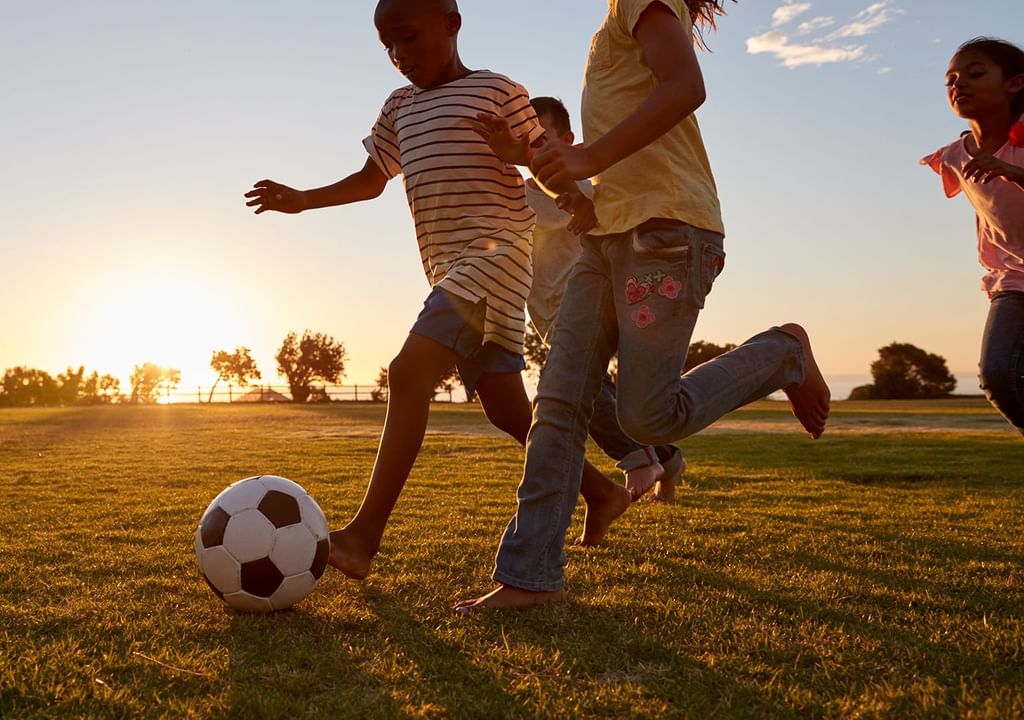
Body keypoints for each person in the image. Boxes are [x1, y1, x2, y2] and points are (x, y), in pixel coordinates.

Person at [456, 0, 830, 613]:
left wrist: (588, 157)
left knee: (648, 418)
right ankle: (531, 578)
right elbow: (596, 177)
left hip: (666, 231)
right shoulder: (610, 22)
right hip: (605, 237)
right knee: (557, 403)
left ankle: (782, 353)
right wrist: (533, 158)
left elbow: (688, 87)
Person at [244, 0, 633, 579]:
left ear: (451, 24)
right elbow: (372, 180)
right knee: (508, 410)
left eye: (409, 37)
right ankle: (601, 494)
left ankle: (363, 539)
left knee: (407, 372)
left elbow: (541, 158)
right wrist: (303, 198)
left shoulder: (498, 91)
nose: (400, 55)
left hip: (493, 259)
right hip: (449, 268)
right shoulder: (398, 108)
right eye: (388, 47)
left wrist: (576, 199)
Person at [524, 96, 687, 503]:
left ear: (569, 139)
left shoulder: (586, 185)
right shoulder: (519, 194)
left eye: (544, 138)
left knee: (572, 390)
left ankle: (637, 459)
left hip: (588, 302)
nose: (536, 149)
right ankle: (668, 459)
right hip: (545, 312)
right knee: (604, 392)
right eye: (527, 140)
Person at [922, 37, 1024, 435]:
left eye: (975, 73)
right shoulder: (954, 155)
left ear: (1015, 83)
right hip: (1011, 281)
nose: (958, 84)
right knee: (998, 375)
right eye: (950, 79)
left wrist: (1012, 173)